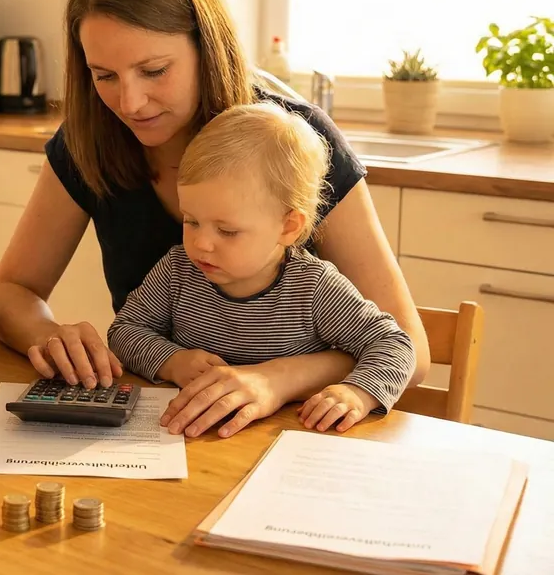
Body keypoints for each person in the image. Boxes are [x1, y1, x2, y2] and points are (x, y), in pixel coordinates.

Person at [0, 0, 430, 439]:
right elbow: (9, 293)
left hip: (289, 437)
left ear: (207, 45)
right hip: (163, 432)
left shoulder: (292, 142)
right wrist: (48, 333)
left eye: (154, 70)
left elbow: (410, 349)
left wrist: (277, 379)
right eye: (104, 75)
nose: (129, 103)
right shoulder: (92, 138)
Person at [108, 103, 416, 438]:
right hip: (193, 441)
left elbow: (394, 344)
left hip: (284, 443)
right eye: (191, 221)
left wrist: (358, 392)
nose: (201, 244)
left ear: (288, 227)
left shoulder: (314, 287)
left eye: (227, 231)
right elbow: (124, 330)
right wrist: (172, 360)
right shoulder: (177, 271)